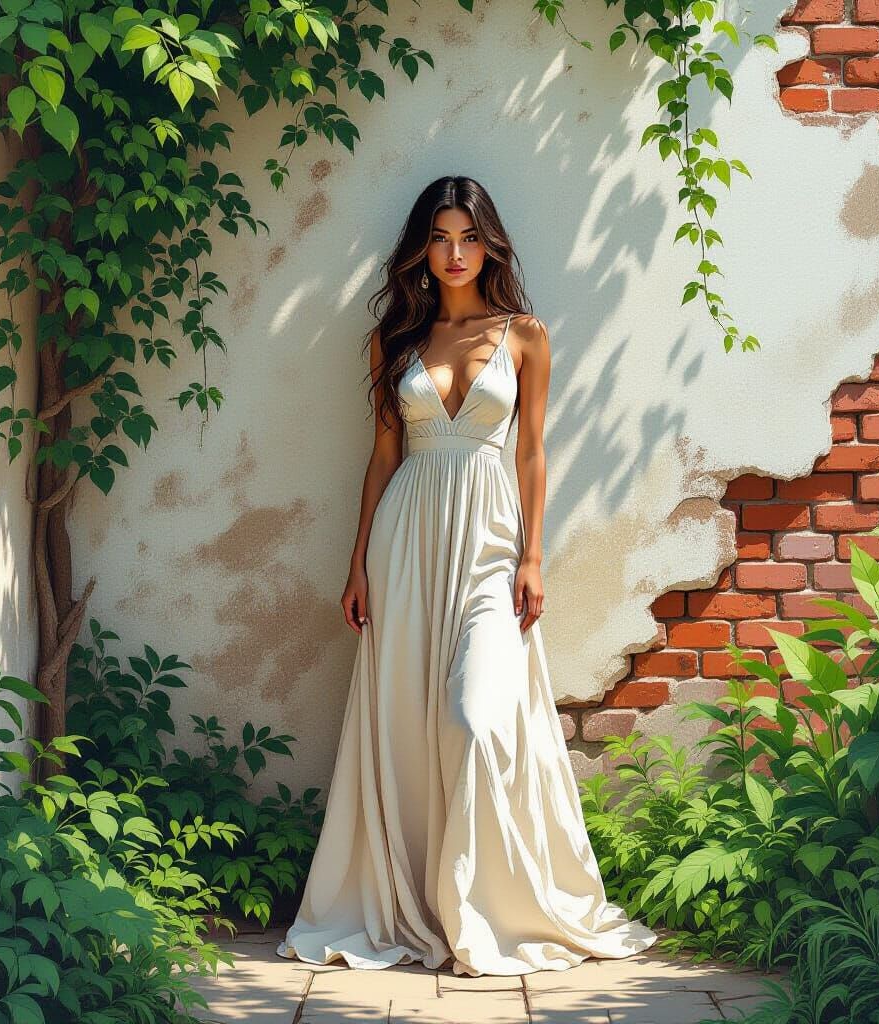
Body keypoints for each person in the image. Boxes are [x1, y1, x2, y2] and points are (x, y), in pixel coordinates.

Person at [276, 176, 656, 977]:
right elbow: (383, 455)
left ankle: (481, 912)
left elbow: (531, 452)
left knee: (475, 719)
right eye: (441, 237)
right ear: (422, 246)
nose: (455, 254)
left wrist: (533, 556)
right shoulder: (395, 339)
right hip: (405, 539)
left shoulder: (524, 334)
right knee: (407, 725)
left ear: (490, 244)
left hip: (489, 538)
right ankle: (426, 910)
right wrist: (356, 563)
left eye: (469, 238)